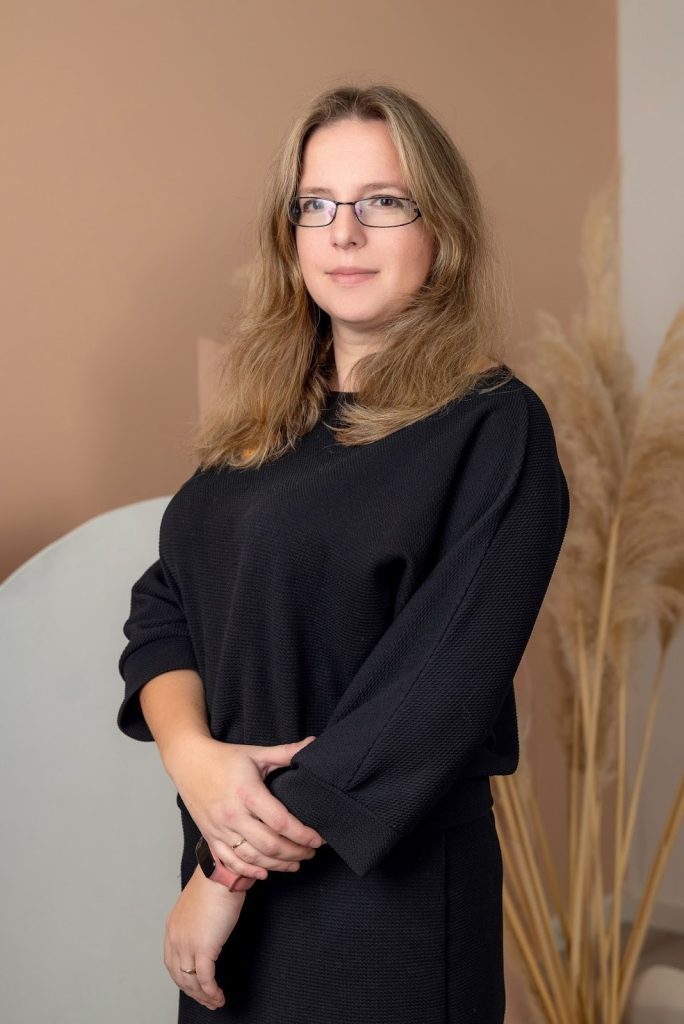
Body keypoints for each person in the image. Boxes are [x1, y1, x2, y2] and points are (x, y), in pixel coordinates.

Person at [117, 83, 570, 1024]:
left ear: (442, 228)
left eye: (382, 202)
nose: (344, 233)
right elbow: (166, 607)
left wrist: (225, 874)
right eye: (315, 205)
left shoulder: (492, 426)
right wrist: (192, 758)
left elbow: (431, 694)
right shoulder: (263, 426)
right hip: (234, 881)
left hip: (380, 906)